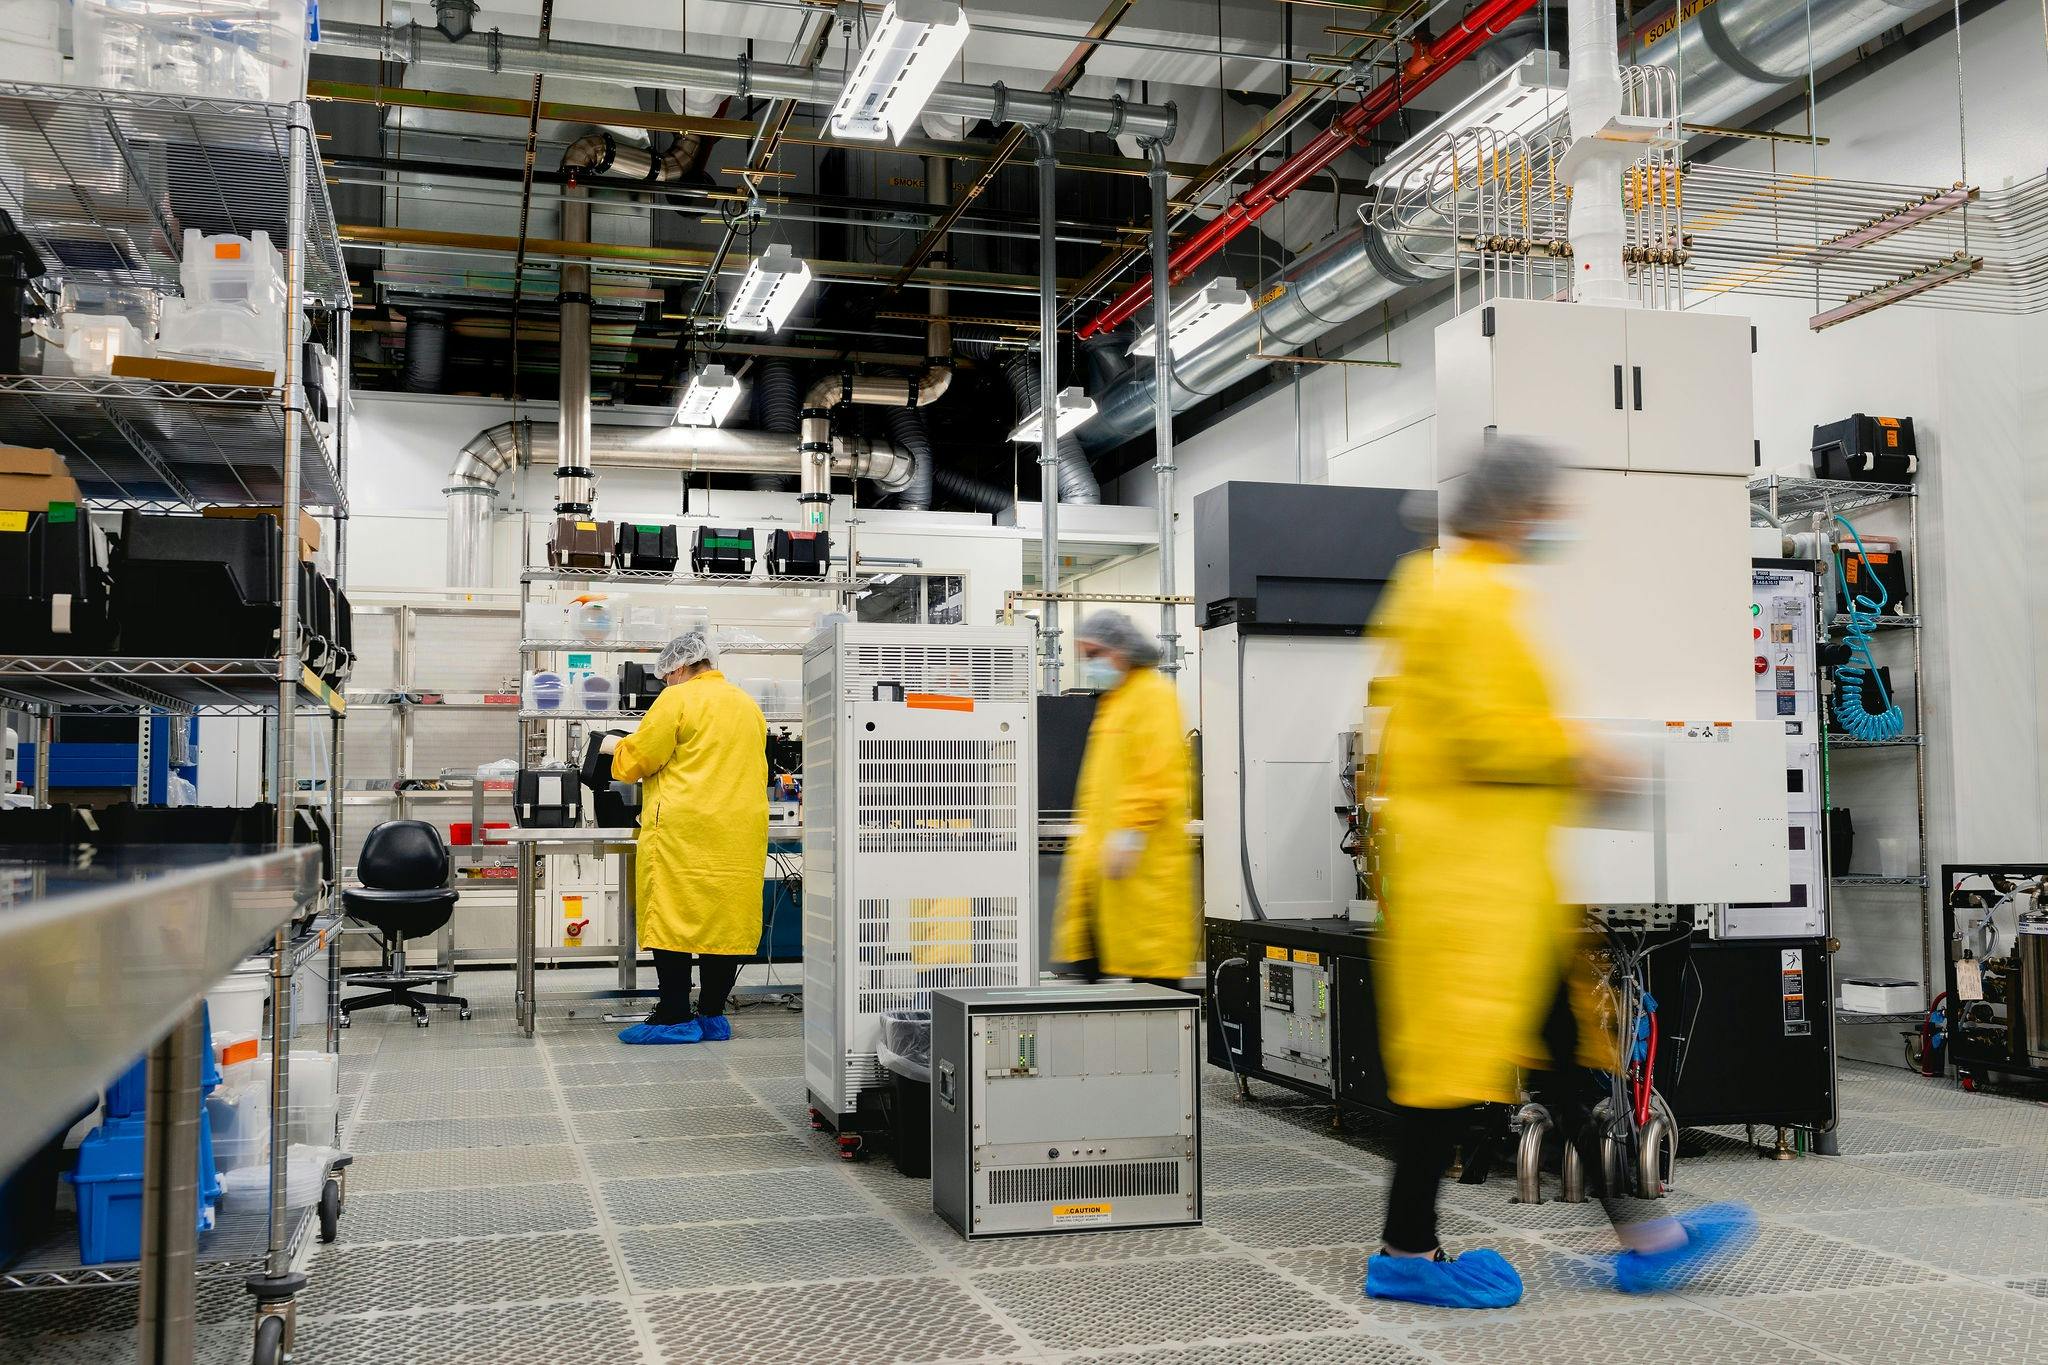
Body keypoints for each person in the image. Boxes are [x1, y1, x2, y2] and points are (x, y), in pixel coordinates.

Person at [1364, 438, 1754, 1309]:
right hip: (1471, 894)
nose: (1551, 524)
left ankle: (1645, 1236)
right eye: (1544, 509)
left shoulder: (1463, 591)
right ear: (1514, 511)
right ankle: (1404, 1252)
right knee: (1447, 1077)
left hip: (1498, 885)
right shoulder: (1462, 599)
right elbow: (1485, 735)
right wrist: (1589, 761)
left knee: (1565, 1062)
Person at [603, 628, 768, 1045]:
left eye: (666, 675)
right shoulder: (747, 704)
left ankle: (674, 1014)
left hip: (685, 830)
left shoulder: (677, 698)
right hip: (738, 832)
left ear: (678, 667)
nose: (665, 682)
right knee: (724, 919)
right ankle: (711, 1014)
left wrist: (612, 748)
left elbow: (636, 762)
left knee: (672, 915)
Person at [1052, 611, 1195, 990]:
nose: (1092, 664)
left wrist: (1128, 838)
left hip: (1139, 866)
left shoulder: (1153, 698)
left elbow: (1160, 778)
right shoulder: (1115, 701)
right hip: (1101, 869)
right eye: (1085, 656)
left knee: (1153, 983)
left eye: (1096, 653)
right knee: (1089, 971)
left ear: (1122, 650)